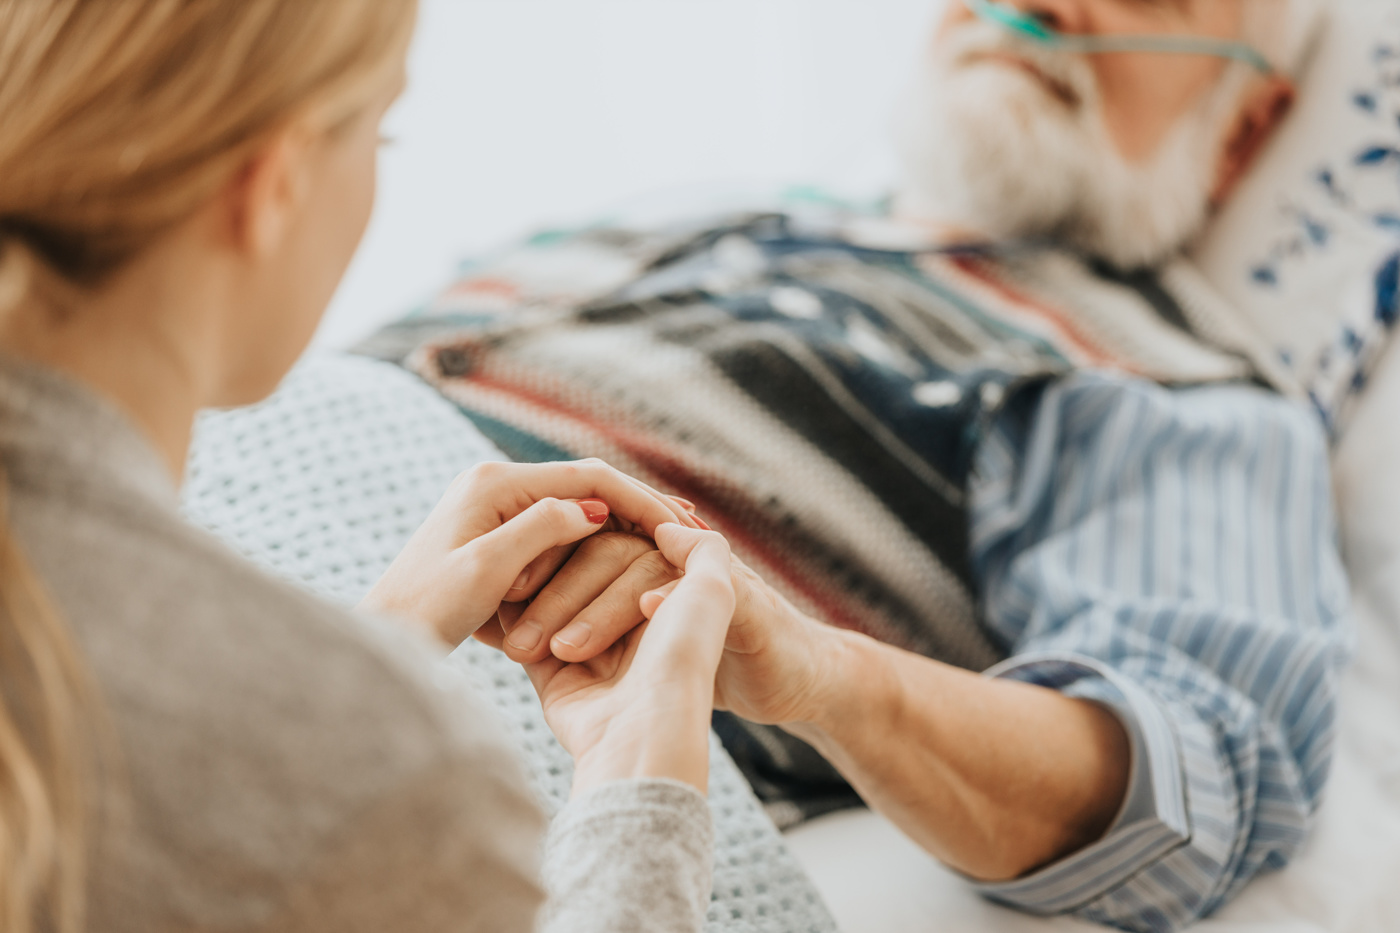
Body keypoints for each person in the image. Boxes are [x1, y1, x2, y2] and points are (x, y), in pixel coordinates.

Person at [484, 1, 1352, 930]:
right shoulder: (692, 211)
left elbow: (1190, 775)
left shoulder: (1175, 395)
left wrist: (820, 672)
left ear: (1244, 127)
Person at [0, 2, 734, 932]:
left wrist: (366, 651)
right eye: (379, 133)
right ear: (272, 185)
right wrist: (642, 775)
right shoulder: (386, 765)